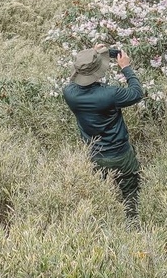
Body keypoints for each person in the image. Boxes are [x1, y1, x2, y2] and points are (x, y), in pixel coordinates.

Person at [61, 43, 145, 221]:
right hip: (120, 154)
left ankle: (107, 223)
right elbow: (137, 93)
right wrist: (126, 68)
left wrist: (91, 57)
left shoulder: (69, 93)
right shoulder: (110, 94)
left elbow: (74, 79)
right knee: (130, 191)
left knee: (102, 192)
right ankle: (132, 223)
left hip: (94, 155)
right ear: (97, 71)